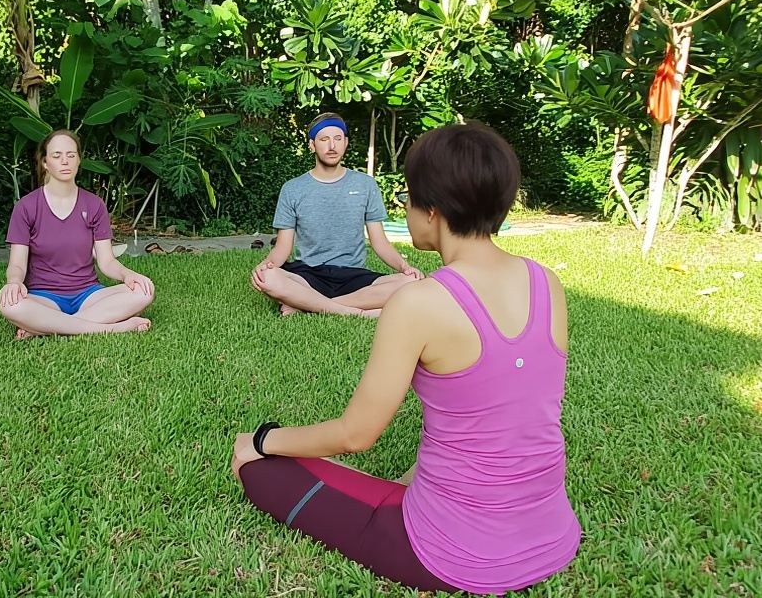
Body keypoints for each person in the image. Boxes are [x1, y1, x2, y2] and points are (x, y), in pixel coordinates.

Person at [232, 122, 581, 595]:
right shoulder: (548, 284)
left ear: (432, 211)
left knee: (247, 456)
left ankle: (258, 447)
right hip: (554, 536)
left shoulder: (418, 303)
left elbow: (355, 435)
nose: (405, 208)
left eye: (410, 198)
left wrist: (265, 438)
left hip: (448, 553)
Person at [251, 112, 422, 317]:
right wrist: (265, 266)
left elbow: (379, 242)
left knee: (412, 281)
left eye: (337, 139)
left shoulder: (365, 185)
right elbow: (282, 248)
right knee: (268, 277)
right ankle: (360, 312)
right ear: (312, 145)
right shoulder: (292, 189)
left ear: (346, 143)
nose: (332, 146)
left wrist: (405, 267)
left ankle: (309, 306)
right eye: (324, 139)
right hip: (307, 275)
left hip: (353, 276)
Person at [0, 130, 154, 338]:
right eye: (56, 155)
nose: (65, 161)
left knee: (144, 290)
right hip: (43, 297)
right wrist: (14, 282)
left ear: (79, 160)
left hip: (88, 295)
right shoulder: (26, 207)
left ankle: (44, 327)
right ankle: (111, 327)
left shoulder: (94, 205)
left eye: (71, 155)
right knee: (9, 303)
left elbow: (107, 262)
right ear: (45, 163)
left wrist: (128, 275)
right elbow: (17, 264)